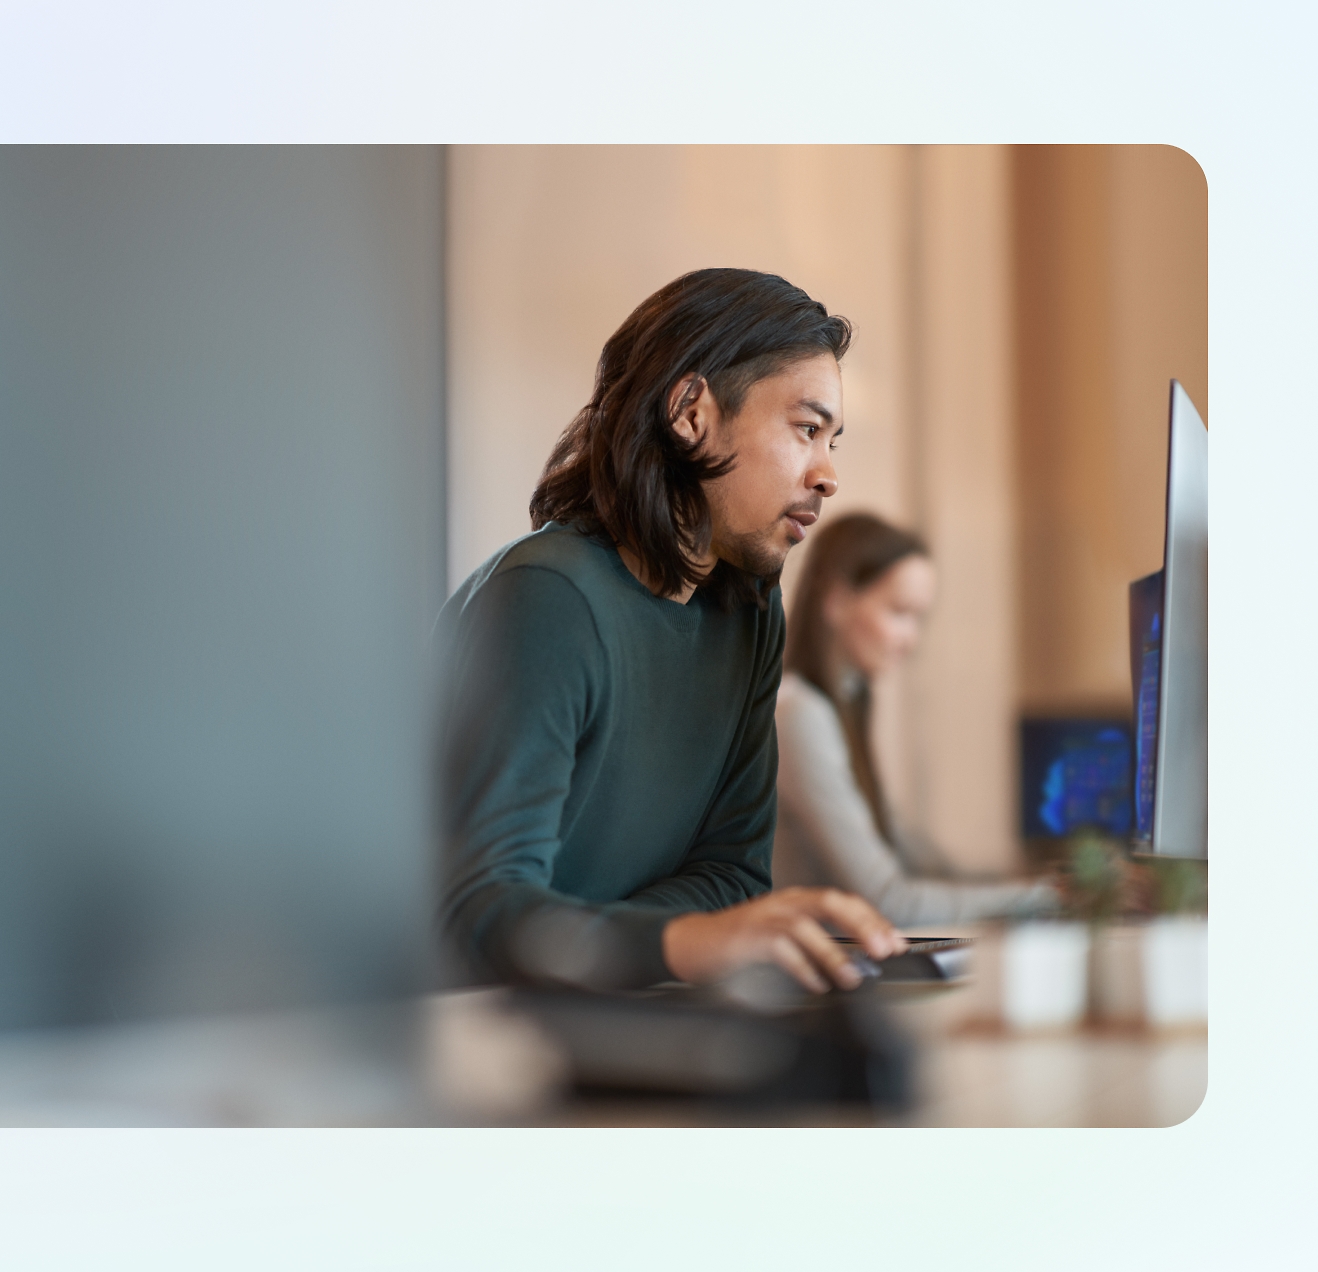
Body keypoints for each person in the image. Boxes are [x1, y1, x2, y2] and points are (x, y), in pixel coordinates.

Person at [436, 268, 908, 997]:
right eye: (807, 429)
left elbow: (733, 876)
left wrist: (639, 945)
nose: (827, 475)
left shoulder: (749, 615)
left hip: (616, 1011)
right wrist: (678, 942)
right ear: (691, 412)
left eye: (833, 442)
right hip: (476, 1036)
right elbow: (478, 912)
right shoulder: (547, 598)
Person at [774, 512, 1058, 925]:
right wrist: (1044, 897)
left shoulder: (845, 707)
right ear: (836, 601)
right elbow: (889, 900)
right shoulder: (799, 714)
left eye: (919, 619)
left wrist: (1044, 886)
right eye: (900, 612)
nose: (912, 640)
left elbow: (928, 866)